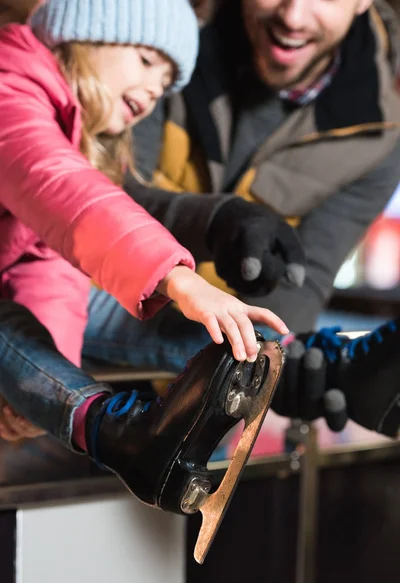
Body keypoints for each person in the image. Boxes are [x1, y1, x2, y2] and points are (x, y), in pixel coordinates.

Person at [0, 0, 297, 510]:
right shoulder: (10, 88)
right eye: (145, 60)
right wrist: (182, 281)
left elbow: (51, 263)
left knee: (148, 317)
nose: (158, 87)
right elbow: (66, 196)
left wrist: (40, 385)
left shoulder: (78, 133)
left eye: (168, 79)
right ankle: (114, 430)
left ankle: (285, 364)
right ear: (86, 36)